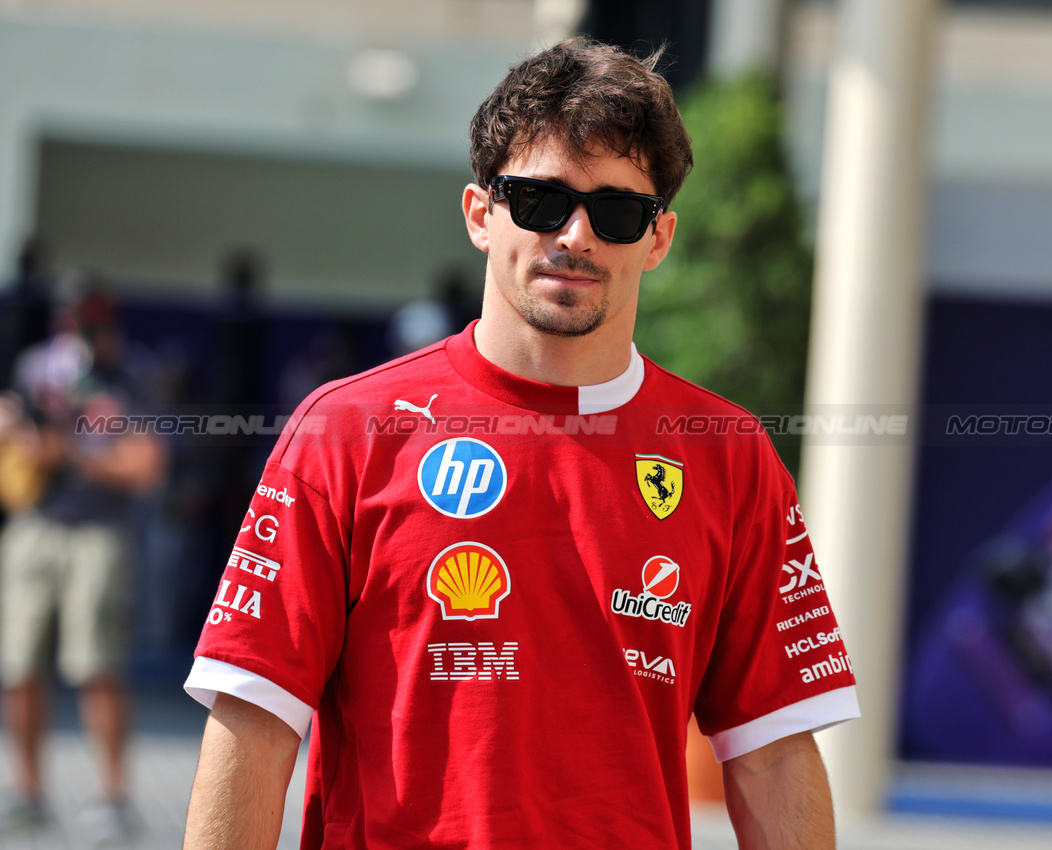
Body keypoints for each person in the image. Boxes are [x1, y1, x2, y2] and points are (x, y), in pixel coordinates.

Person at [183, 38, 859, 849]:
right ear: (480, 214)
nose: (575, 234)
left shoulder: (728, 456)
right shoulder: (347, 430)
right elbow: (254, 723)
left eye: (616, 212)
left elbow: (774, 755)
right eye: (539, 201)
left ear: (658, 238)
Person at [0, 285, 166, 839]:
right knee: (18, 667)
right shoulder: (34, 366)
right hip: (36, 527)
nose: (81, 330)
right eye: (72, 317)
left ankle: (113, 799)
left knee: (97, 668)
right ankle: (27, 793)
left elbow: (145, 467)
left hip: (100, 533)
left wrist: (67, 448)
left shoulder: (131, 375)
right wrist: (19, 436)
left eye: (91, 319)